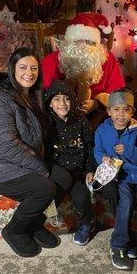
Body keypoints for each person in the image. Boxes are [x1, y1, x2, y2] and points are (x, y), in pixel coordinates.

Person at [0, 47, 60, 258]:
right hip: (1, 169)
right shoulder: (1, 100)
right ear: (12, 70)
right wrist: (39, 166)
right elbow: (6, 144)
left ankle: (34, 224)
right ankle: (15, 230)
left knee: (65, 178)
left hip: (24, 163)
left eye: (34, 68)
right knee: (45, 188)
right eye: (23, 67)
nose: (29, 72)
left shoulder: (31, 96)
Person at [94, 88, 137, 271]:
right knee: (125, 202)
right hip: (121, 176)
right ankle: (118, 245)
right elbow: (98, 149)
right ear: (109, 111)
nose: (121, 114)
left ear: (132, 112)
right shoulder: (102, 130)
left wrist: (128, 150)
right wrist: (102, 158)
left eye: (126, 109)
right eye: (116, 110)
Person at [41, 12, 125, 127]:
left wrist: (96, 104)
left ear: (97, 43)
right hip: (60, 116)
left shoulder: (107, 59)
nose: (84, 46)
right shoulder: (50, 61)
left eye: (90, 42)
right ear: (69, 41)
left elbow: (117, 94)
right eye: (78, 41)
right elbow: (45, 96)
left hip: (99, 116)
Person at [43, 80, 99, 246]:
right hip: (59, 171)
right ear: (50, 104)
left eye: (66, 98)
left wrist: (90, 169)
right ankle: (38, 225)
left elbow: (90, 147)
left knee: (82, 197)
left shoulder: (81, 120)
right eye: (57, 99)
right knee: (49, 195)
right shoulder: (47, 123)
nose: (62, 103)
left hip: (79, 172)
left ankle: (86, 224)